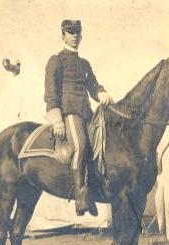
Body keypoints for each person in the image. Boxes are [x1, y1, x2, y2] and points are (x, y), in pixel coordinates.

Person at [44, 20, 113, 216]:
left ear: (81, 36)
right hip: (69, 113)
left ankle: (94, 191)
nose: (74, 36)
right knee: (80, 146)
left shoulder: (84, 64)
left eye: (77, 32)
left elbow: (93, 85)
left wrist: (101, 93)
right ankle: (80, 198)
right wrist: (57, 119)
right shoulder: (56, 60)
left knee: (101, 145)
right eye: (70, 32)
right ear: (63, 36)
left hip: (87, 114)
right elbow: (51, 92)